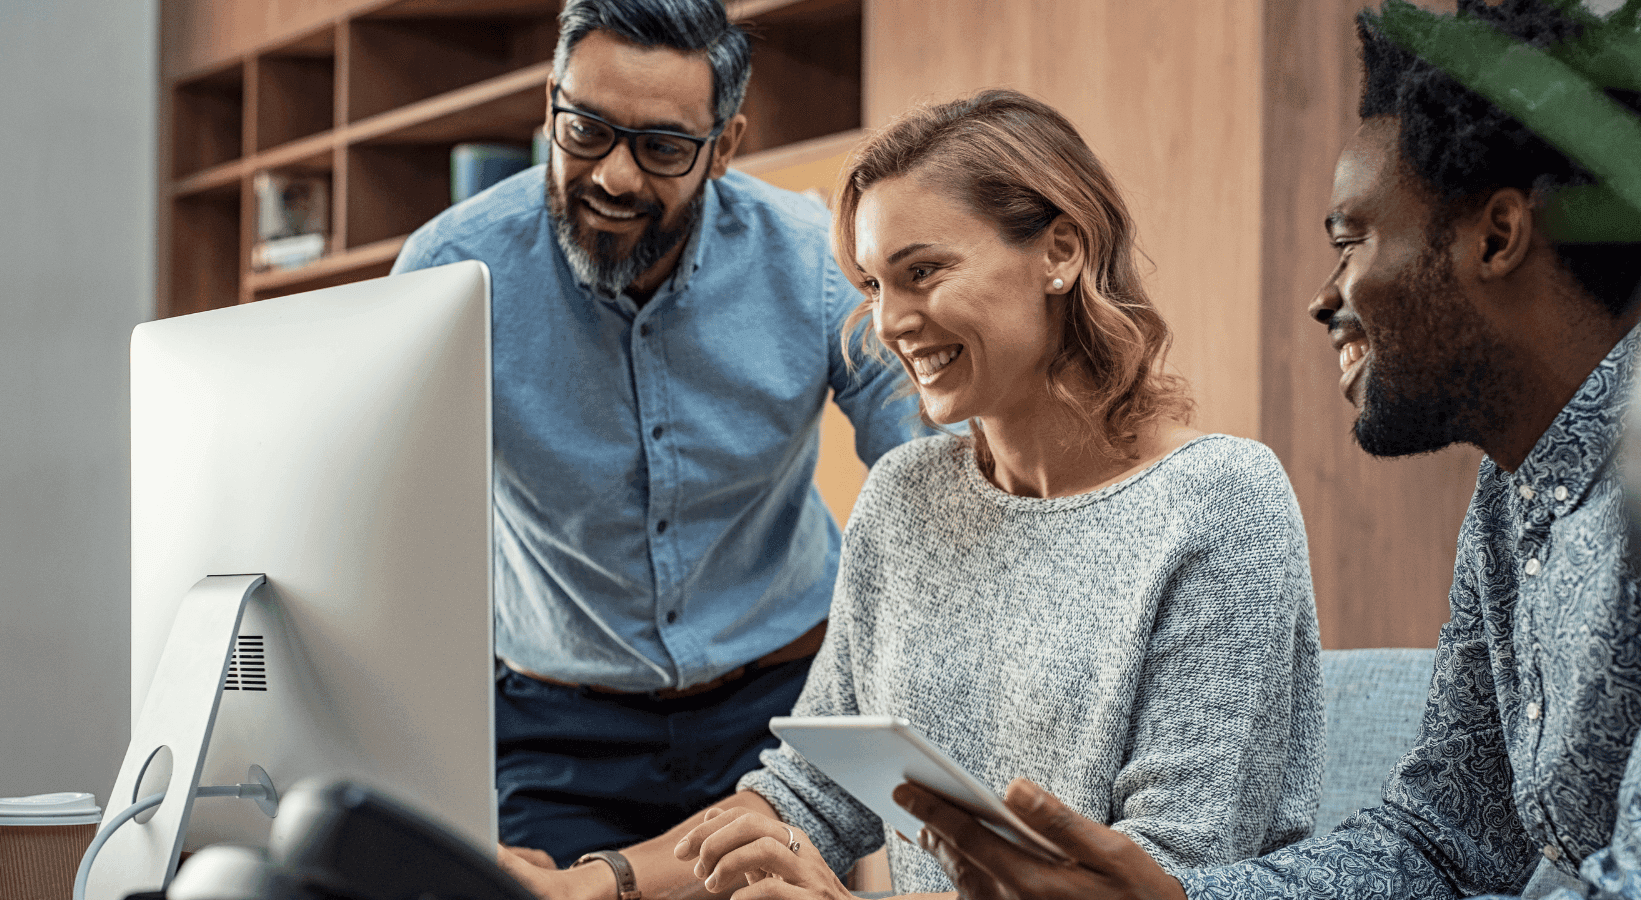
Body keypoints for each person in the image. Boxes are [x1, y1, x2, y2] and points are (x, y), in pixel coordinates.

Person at [896, 1, 1641, 898]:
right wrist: (1182, 897)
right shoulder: (1513, 494)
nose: (1327, 295)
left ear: (1496, 236)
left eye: (1351, 237)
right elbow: (1443, 839)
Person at [494, 88, 1325, 900]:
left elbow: (1171, 878)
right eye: (871, 286)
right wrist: (601, 882)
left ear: (1061, 252)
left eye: (921, 272)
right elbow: (808, 796)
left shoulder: (1218, 502)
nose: (889, 322)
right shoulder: (905, 497)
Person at [388, 0, 923, 865]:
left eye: (663, 148)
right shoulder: (449, 274)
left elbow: (930, 474)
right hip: (559, 732)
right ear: (549, 103)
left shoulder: (813, 263)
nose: (616, 178)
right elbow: (389, 523)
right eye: (586, 131)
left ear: (726, 147)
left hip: (782, 715)